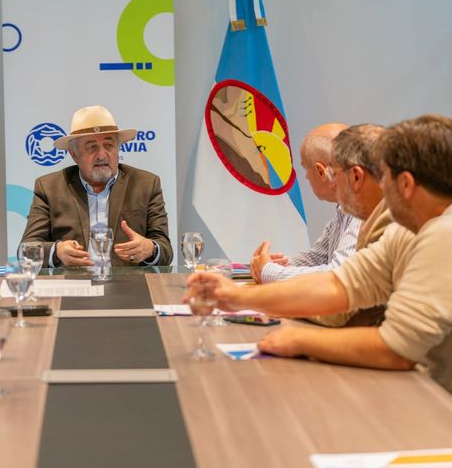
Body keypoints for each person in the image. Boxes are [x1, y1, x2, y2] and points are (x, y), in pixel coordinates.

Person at [185, 115, 452, 393]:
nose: (381, 188)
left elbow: (397, 349)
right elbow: (338, 284)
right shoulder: (406, 231)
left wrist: (300, 340)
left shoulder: (443, 233)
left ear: (406, 184)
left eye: (385, 177)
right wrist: (234, 297)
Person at [20, 105, 172, 267]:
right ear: (74, 154)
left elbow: (165, 251)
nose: (102, 155)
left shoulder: (146, 184)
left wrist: (150, 249)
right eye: (92, 147)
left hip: (128, 281)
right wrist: (57, 252)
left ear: (118, 148)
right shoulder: (49, 188)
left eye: (109, 145)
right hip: (73, 281)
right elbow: (25, 250)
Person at [249, 123, 361, 283]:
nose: (307, 177)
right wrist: (273, 264)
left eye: (306, 169)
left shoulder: (362, 211)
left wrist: (269, 271)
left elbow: (339, 275)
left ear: (321, 172)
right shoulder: (343, 211)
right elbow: (318, 257)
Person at [310, 123, 392, 326]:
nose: (332, 183)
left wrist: (253, 298)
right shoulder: (376, 218)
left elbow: (340, 305)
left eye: (334, 174)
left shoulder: (394, 225)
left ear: (356, 176)